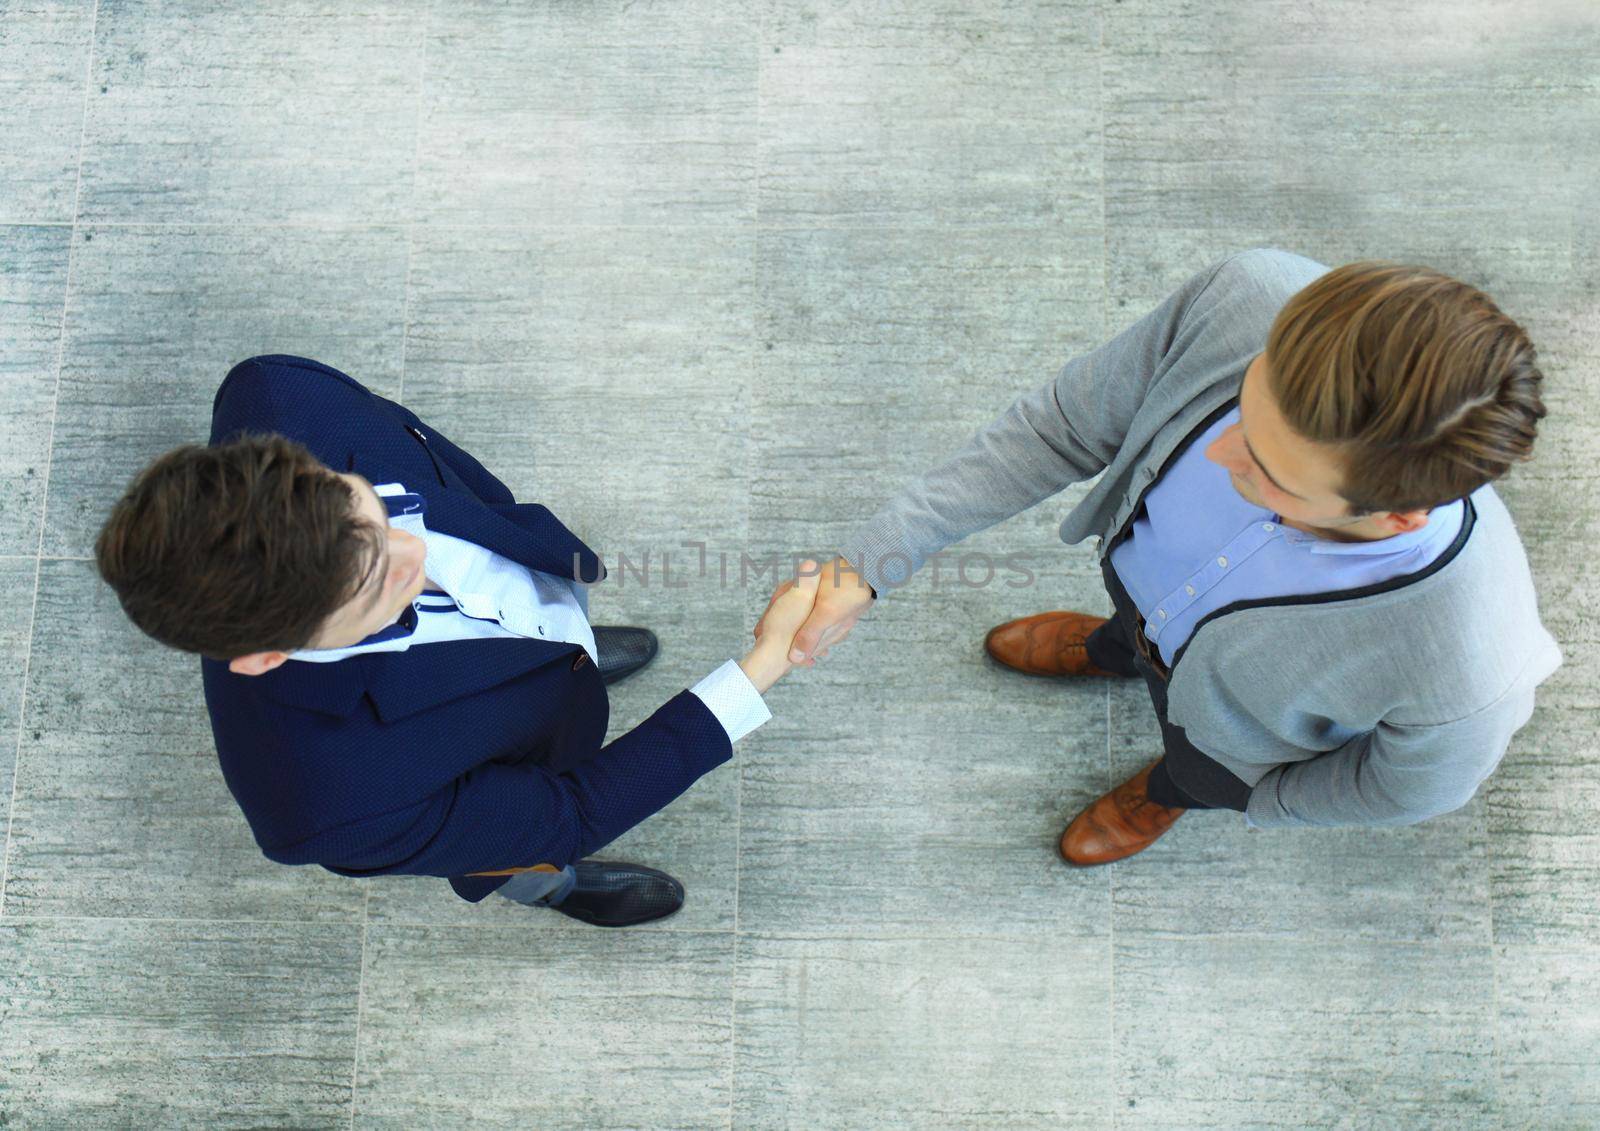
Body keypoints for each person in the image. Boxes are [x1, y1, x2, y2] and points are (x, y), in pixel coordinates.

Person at [756, 247, 1562, 864]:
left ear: (1396, 516)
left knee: (1196, 770)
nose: (1217, 455)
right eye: (1245, 400)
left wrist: (1256, 796)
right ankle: (1113, 647)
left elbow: (1406, 786)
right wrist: (864, 566)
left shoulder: (1467, 670)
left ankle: (1167, 791)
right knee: (1132, 628)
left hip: (1230, 744)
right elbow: (1060, 428)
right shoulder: (1251, 293)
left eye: (1268, 473)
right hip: (1143, 584)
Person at [95, 354, 821, 927]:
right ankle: (550, 888)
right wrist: (760, 668)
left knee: (558, 657)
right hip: (508, 800)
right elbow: (572, 810)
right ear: (264, 656)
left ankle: (566, 657)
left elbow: (430, 455)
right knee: (522, 854)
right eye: (375, 585)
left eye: (369, 504)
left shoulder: (279, 395)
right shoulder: (336, 803)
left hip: (528, 661)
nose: (418, 553)